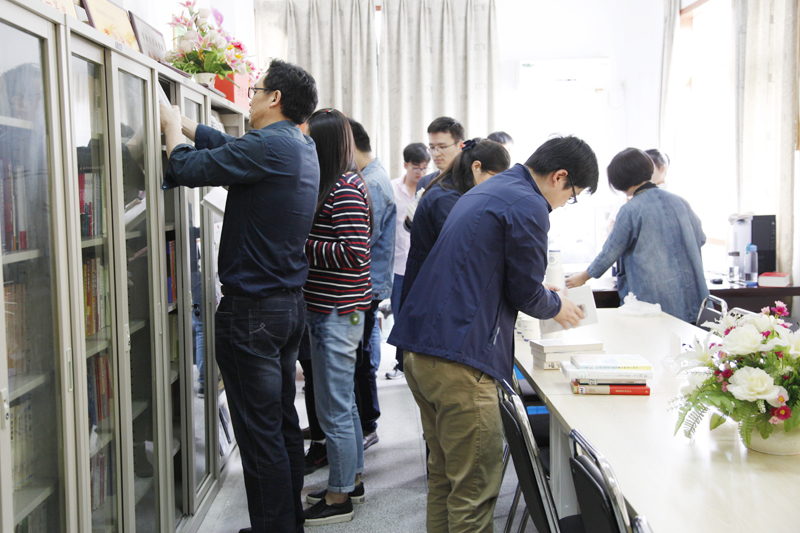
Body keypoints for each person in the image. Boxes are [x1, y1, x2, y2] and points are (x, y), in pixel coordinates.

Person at [389, 135, 597, 533]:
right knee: (473, 493)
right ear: (559, 177)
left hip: (422, 349)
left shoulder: (489, 189)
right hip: (461, 361)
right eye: (571, 197)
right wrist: (557, 306)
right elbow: (524, 292)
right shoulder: (529, 204)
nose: (562, 204)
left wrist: (540, 291)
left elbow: (486, 269)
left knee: (445, 478)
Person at [160, 58, 319, 533]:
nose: (250, 98)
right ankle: (286, 522)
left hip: (253, 313)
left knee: (259, 434)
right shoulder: (299, 145)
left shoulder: (269, 144)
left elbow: (185, 166)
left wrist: (170, 130)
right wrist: (188, 124)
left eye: (256, 90)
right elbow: (232, 150)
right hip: (286, 308)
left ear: (275, 98)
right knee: (280, 424)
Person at [303, 109, 372, 526]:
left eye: (309, 139)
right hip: (332, 308)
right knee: (341, 405)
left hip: (337, 312)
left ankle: (338, 496)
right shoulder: (335, 183)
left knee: (333, 409)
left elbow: (354, 253)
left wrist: (300, 241)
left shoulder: (344, 187)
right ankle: (352, 480)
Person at [566, 148, 708, 324]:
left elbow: (610, 252)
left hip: (656, 304)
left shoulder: (631, 210)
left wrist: (582, 277)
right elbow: (701, 238)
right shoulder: (680, 202)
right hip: (695, 301)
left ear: (618, 181)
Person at [399, 139, 511, 310]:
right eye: (494, 178)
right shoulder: (446, 199)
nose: (496, 186)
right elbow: (464, 250)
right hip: (432, 291)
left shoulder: (456, 191)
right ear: (476, 167)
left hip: (437, 286)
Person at [348, 117, 396, 449]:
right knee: (359, 356)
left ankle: (367, 425)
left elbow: (361, 240)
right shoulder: (368, 177)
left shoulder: (372, 184)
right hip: (365, 285)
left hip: (364, 288)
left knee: (359, 359)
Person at [386, 143, 430, 380]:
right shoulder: (392, 188)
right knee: (400, 316)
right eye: (416, 168)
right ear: (405, 165)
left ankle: (419, 365)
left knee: (421, 317)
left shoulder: (430, 188)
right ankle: (401, 363)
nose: (420, 173)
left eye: (424, 168)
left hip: (423, 266)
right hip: (398, 266)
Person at [416, 116, 465, 192]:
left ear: (461, 146)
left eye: (442, 147)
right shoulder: (424, 182)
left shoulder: (471, 181)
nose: (436, 154)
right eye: (432, 147)